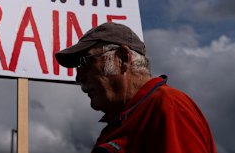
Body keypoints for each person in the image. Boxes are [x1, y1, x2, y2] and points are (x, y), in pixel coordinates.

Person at [55, 22, 216, 153]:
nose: (79, 77)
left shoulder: (168, 106)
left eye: (85, 63)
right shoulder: (119, 123)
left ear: (122, 59)